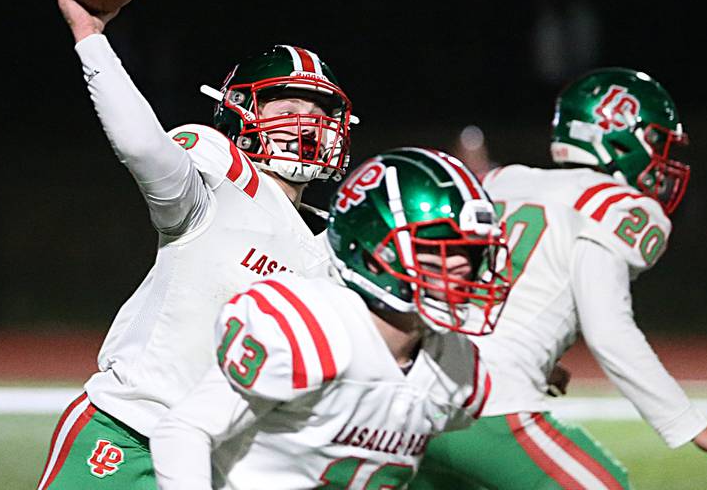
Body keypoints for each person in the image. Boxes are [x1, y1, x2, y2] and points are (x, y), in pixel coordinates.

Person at [36, 0, 355, 490]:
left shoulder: (335, 245)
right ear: (239, 112)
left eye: (321, 108)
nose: (309, 120)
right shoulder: (218, 178)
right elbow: (142, 147)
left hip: (225, 466)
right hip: (128, 434)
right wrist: (90, 38)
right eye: (291, 104)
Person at [412, 68, 707, 489]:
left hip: (414, 400)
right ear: (616, 138)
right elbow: (609, 330)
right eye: (655, 143)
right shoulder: (613, 205)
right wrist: (691, 425)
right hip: (489, 402)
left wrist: (534, 357)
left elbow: (453, 286)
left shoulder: (501, 182)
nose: (662, 162)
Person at [149, 147, 513, 489]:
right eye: (437, 252)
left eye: (470, 253)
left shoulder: (456, 364)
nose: (461, 270)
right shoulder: (311, 329)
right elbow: (182, 433)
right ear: (373, 252)